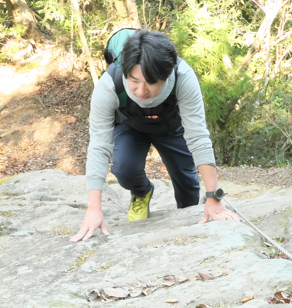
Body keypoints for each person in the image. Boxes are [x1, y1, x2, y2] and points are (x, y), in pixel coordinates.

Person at [71, 28, 237, 242]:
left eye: (150, 82)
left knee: (187, 185)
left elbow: (198, 136)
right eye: (134, 81)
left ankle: (190, 216)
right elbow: (99, 145)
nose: (141, 91)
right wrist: (94, 209)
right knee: (124, 169)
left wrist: (214, 196)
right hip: (129, 126)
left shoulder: (183, 77)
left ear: (166, 75)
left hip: (171, 126)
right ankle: (141, 192)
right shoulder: (109, 84)